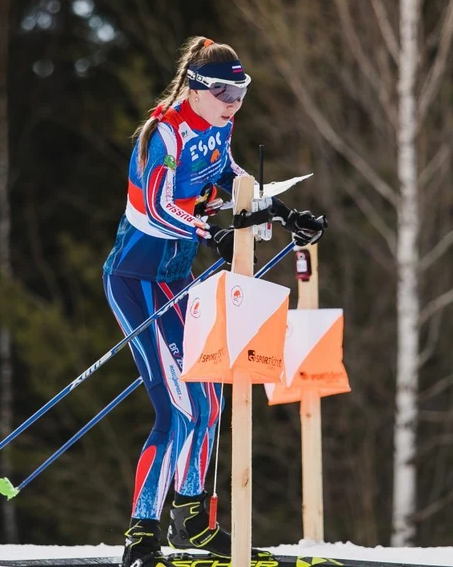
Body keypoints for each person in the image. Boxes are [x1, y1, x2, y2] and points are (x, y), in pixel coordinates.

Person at [101, 36, 327, 567]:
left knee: (210, 396)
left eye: (241, 92)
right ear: (196, 89)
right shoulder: (163, 135)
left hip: (175, 281)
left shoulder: (219, 125)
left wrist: (282, 213)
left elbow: (228, 178)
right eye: (224, 91)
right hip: (136, 280)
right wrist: (213, 235)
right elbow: (156, 209)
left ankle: (194, 522)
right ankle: (142, 532)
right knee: (177, 408)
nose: (234, 102)